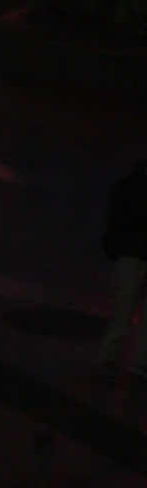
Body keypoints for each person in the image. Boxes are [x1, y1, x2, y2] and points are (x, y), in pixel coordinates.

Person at [102, 158, 147, 386]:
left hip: (131, 252)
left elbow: (115, 217)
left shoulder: (129, 184)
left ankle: (109, 361)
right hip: (134, 251)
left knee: (122, 311)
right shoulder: (129, 185)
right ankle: (140, 365)